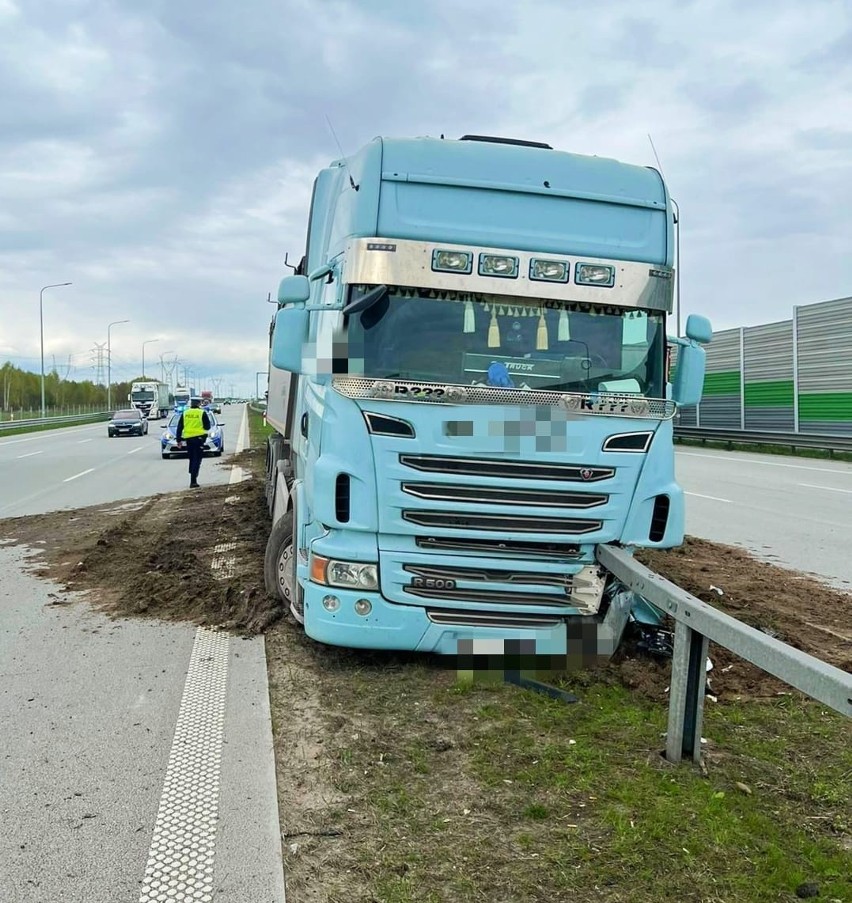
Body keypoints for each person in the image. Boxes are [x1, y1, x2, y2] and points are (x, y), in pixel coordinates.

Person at [175, 396, 211, 489]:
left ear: (191, 404)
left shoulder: (185, 413)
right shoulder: (202, 413)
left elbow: (179, 427)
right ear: (199, 404)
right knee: (197, 459)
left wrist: (178, 440)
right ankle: (193, 480)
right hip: (199, 440)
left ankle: (193, 473)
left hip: (188, 440)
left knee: (192, 459)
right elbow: (207, 427)